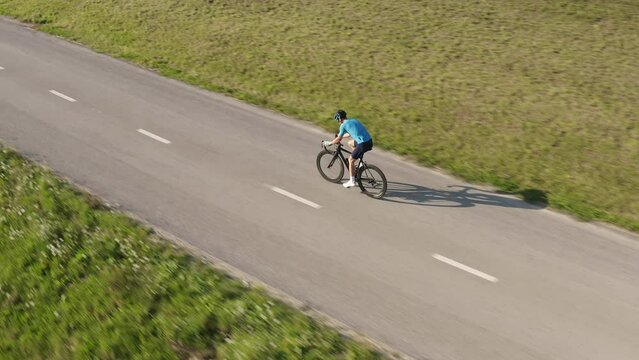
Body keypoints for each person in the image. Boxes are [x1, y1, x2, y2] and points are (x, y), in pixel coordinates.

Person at [323, 110, 373, 188]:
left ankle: (352, 181)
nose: (338, 121)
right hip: (369, 141)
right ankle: (359, 164)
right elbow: (350, 133)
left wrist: (328, 143)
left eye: (337, 119)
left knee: (350, 160)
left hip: (362, 144)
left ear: (339, 118)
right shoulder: (354, 120)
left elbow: (338, 140)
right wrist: (341, 136)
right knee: (350, 143)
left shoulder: (343, 125)